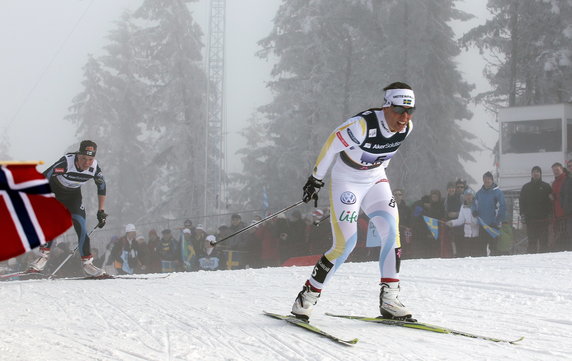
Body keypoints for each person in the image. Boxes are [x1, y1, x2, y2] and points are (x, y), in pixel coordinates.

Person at [291, 82, 416, 321]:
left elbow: (385, 153)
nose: (405, 117)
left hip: (375, 178)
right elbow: (330, 147)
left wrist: (380, 174)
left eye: (410, 111)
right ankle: (307, 297)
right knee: (346, 244)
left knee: (391, 233)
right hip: (347, 181)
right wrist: (315, 180)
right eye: (400, 110)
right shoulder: (361, 126)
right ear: (387, 106)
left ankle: (390, 300)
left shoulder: (407, 127)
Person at [28, 140, 108, 277]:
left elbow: (102, 187)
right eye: (83, 158)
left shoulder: (94, 167)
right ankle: (43, 257)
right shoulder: (66, 163)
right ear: (78, 155)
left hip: (73, 196)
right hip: (55, 192)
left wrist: (101, 211)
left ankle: (88, 264)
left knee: (81, 226)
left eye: (90, 159)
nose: (86, 163)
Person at [520, 166, 552, 253]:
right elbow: (522, 202)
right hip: (530, 220)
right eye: (534, 172)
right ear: (531, 174)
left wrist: (550, 215)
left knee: (544, 243)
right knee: (532, 243)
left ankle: (544, 262)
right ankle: (531, 263)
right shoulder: (526, 187)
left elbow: (550, 202)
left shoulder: (546, 186)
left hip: (544, 220)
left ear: (540, 174)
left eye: (538, 171)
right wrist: (522, 215)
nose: (536, 173)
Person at [474, 171, 506, 256]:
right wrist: (474, 210)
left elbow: (502, 207)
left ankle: (493, 266)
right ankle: (483, 266)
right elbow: (474, 203)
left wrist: (497, 220)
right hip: (482, 224)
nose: (487, 181)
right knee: (481, 247)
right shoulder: (479, 193)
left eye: (488, 179)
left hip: (493, 224)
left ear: (492, 180)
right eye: (485, 179)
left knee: (494, 247)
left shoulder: (498, 192)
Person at [446, 188, 481, 257]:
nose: (468, 197)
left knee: (476, 254)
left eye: (470, 195)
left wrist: (476, 222)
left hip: (476, 235)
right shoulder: (463, 207)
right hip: (467, 234)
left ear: (473, 196)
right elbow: (460, 220)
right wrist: (452, 222)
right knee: (467, 254)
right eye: (467, 195)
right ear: (464, 197)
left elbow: (481, 218)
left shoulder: (478, 205)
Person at [550, 162, 568, 251]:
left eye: (557, 170)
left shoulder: (566, 180)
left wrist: (555, 196)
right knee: (560, 235)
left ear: (562, 169)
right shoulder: (554, 182)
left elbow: (566, 195)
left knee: (565, 236)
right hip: (557, 214)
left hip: (565, 213)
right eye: (554, 171)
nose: (555, 172)